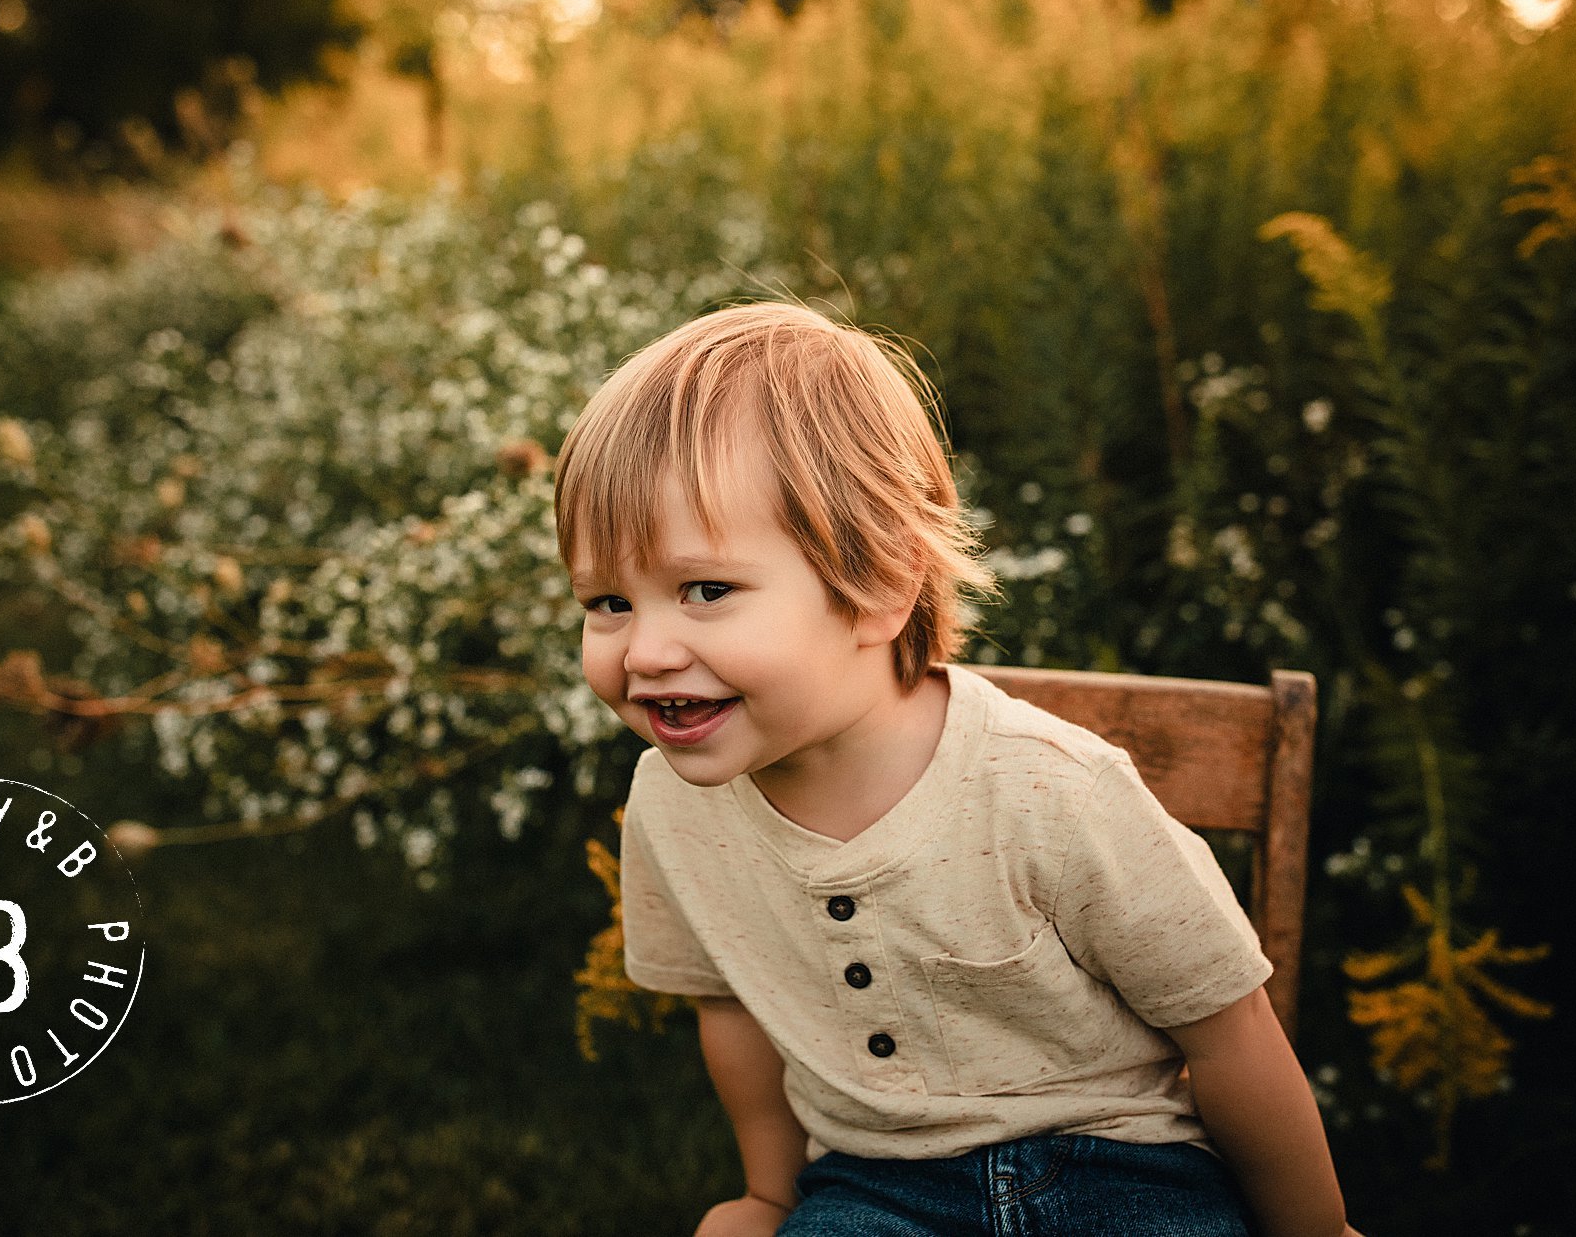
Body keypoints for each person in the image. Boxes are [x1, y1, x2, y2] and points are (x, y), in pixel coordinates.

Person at [554, 303, 1357, 1237]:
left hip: (1119, 1170)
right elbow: (728, 1004)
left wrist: (1321, 1230)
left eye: (706, 590)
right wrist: (769, 1195)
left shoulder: (1052, 790)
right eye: (609, 600)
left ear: (880, 584)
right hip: (876, 1188)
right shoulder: (670, 803)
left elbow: (1229, 1032)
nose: (645, 649)